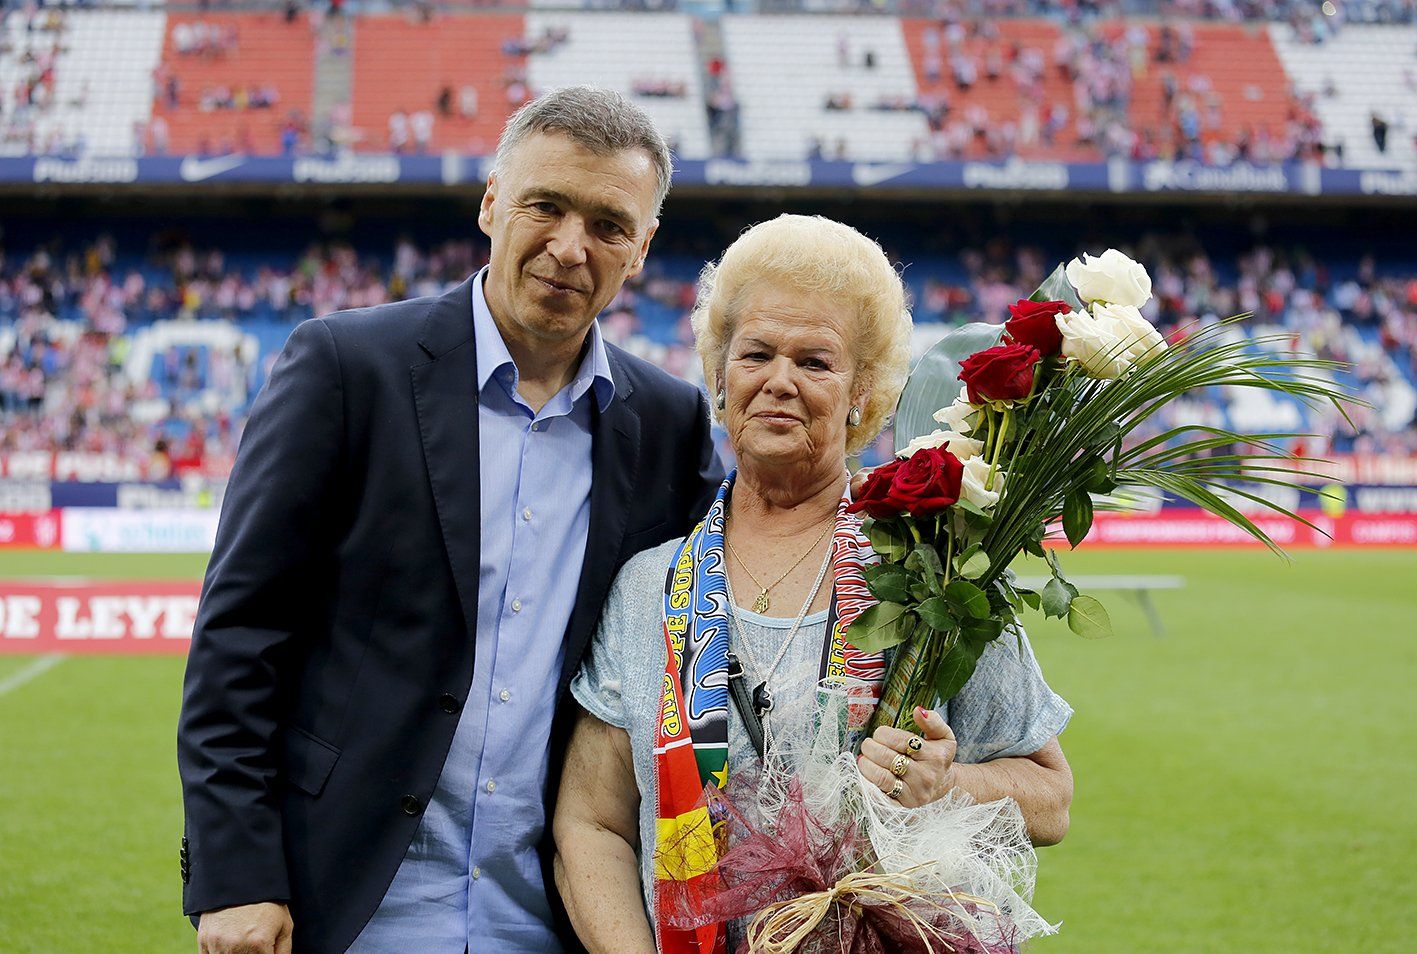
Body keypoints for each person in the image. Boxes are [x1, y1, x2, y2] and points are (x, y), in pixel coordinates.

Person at [177, 86, 724, 954]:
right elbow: (239, 637)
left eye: (609, 224)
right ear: (490, 201)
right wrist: (237, 875)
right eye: (545, 205)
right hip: (343, 902)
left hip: (555, 914)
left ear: (642, 247)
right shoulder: (344, 368)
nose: (569, 246)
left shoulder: (669, 425)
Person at [553, 215, 1075, 953]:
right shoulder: (649, 587)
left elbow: (1050, 800)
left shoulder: (935, 565)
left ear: (864, 390)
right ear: (718, 376)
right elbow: (591, 822)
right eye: (756, 353)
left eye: (816, 361)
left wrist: (946, 784)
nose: (779, 381)